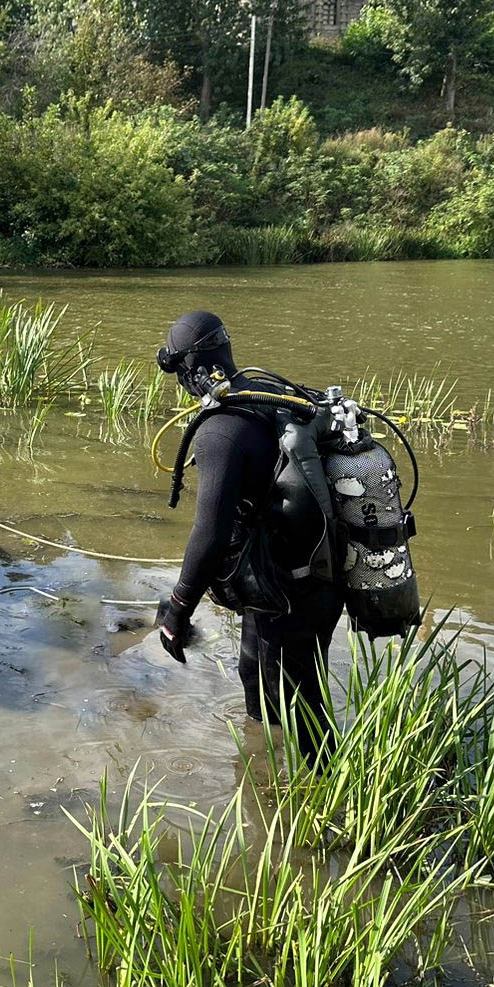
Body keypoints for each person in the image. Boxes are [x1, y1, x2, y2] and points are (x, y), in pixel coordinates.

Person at [154, 311, 343, 742]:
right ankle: (262, 774)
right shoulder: (272, 395)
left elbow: (210, 534)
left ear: (191, 370)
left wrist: (178, 610)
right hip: (296, 579)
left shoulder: (219, 430)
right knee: (253, 674)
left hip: (296, 588)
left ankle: (335, 800)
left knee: (302, 709)